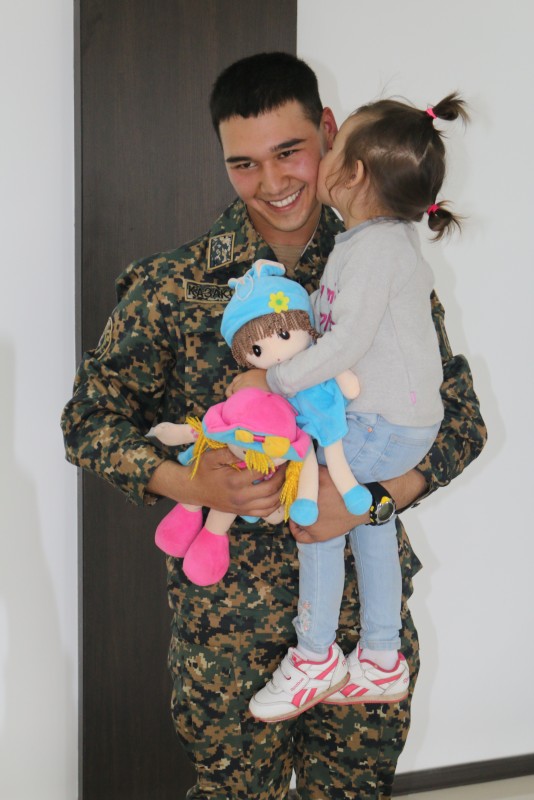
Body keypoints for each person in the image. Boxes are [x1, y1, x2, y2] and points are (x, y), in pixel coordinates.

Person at [61, 52, 487, 800]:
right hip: (228, 633)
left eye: (290, 151)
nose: (272, 181)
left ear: (329, 133)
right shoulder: (174, 284)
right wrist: (187, 481)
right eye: (244, 164)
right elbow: (87, 419)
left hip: (362, 634)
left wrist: (370, 501)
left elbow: (458, 422)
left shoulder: (381, 266)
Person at [227, 95, 468, 722]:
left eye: (332, 149)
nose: (324, 157)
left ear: (354, 173)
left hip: (381, 424)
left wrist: (273, 381)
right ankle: (382, 659)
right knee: (369, 524)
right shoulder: (368, 243)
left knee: (317, 516)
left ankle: (315, 656)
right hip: (392, 422)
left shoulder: (376, 249)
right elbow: (329, 316)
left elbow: (345, 341)